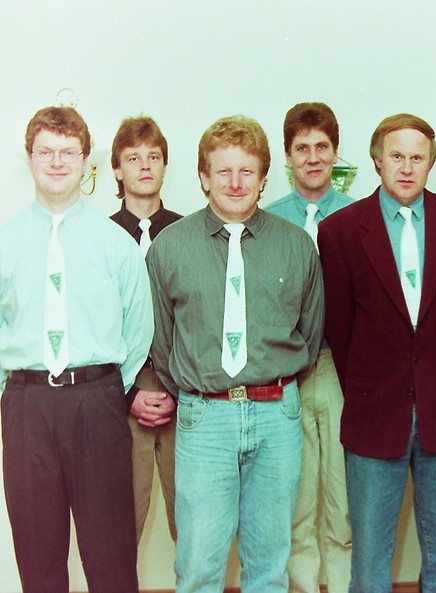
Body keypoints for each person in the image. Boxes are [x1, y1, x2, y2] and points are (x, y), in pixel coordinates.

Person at [146, 115, 324, 593]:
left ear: (264, 178)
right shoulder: (170, 247)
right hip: (205, 417)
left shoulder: (296, 245)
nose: (235, 182)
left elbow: (310, 334)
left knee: (268, 564)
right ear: (203, 177)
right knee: (199, 565)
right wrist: (199, 388)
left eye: (247, 171)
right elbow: (161, 339)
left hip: (276, 415)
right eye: (223, 171)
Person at [318, 113, 436, 593]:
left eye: (418, 157)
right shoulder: (340, 231)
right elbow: (341, 331)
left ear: (432, 162)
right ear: (377, 160)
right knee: (370, 558)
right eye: (397, 156)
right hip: (374, 413)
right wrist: (375, 386)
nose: (407, 167)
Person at [0, 106, 153, 592]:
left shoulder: (114, 243)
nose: (56, 162)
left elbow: (139, 325)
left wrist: (108, 390)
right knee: (38, 557)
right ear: (29, 157)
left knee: (110, 557)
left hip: (97, 403)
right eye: (46, 151)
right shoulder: (5, 241)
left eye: (68, 152)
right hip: (27, 406)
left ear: (86, 161)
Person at [265, 102, 353, 593]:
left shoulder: (361, 215)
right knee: (296, 502)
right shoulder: (268, 220)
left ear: (336, 153)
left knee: (341, 501)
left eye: (322, 147)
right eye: (303, 148)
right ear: (287, 156)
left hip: (342, 370)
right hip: (289, 373)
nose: (313, 157)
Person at [110, 115, 182, 543]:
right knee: (122, 519)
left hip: (182, 387)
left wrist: (177, 388)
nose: (144, 166)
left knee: (191, 517)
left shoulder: (189, 231)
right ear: (117, 170)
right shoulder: (101, 236)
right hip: (123, 386)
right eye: (133, 158)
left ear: (164, 165)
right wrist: (127, 393)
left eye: (153, 157)